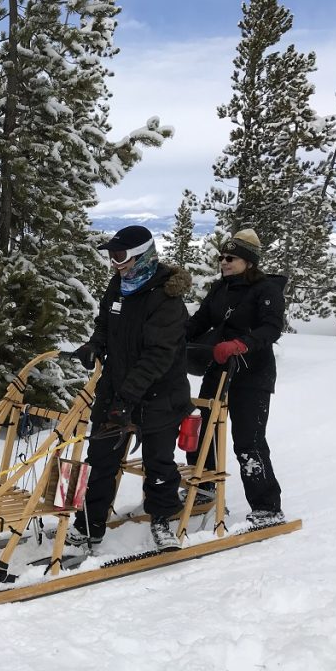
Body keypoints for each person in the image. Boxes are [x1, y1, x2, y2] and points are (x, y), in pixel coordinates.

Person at [68, 225, 193, 553]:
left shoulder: (166, 297)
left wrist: (127, 399)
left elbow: (157, 357)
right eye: (111, 256)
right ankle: (88, 526)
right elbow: (105, 325)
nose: (115, 263)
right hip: (117, 388)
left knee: (158, 462)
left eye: (120, 256)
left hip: (159, 395)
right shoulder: (118, 286)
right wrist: (94, 345)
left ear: (141, 255)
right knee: (100, 460)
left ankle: (163, 522)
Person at [185, 228, 286, 528]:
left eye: (231, 257)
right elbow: (200, 320)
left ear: (249, 261)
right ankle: (205, 490)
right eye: (222, 257)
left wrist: (241, 344)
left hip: (252, 372)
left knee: (248, 441)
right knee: (204, 429)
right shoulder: (220, 288)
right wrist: (174, 338)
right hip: (219, 367)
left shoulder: (266, 289)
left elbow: (271, 328)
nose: (224, 262)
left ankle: (267, 506)